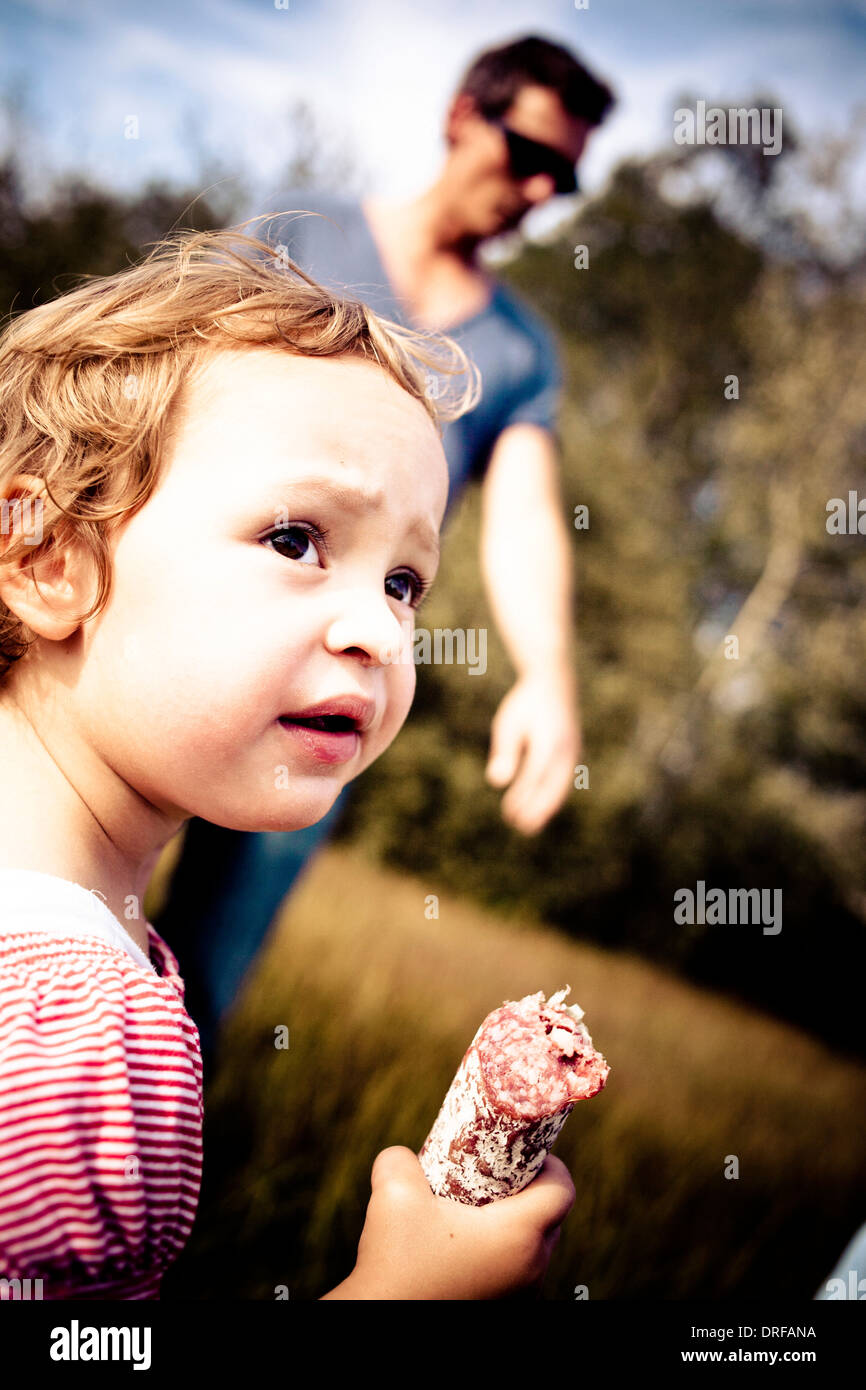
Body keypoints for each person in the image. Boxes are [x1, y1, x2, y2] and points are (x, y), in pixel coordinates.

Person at [0, 224, 574, 1299]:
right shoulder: (83, 1044)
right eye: (295, 540)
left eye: (405, 581)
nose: (381, 632)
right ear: (49, 560)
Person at [154, 34, 616, 1073]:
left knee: (198, 986)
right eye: (527, 150)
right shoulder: (302, 228)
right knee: (61, 894)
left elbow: (525, 515)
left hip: (325, 683)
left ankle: (146, 1192)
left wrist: (547, 676)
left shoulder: (515, 350)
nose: (540, 189)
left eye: (566, 175)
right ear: (461, 114)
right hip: (180, 624)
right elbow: (162, 373)